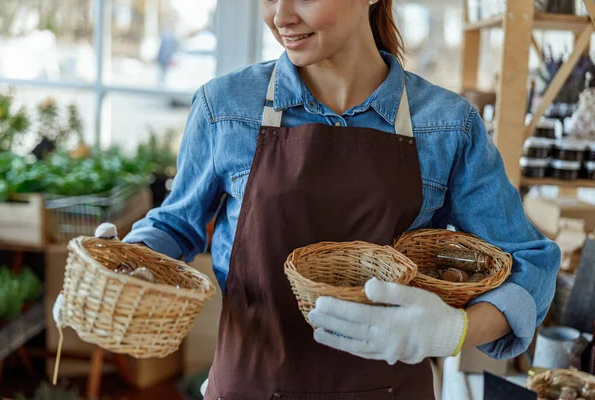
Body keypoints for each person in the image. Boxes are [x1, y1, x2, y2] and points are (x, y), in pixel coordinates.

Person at [121, 0, 560, 398]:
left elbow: (530, 263)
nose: (281, 16)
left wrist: (455, 331)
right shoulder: (225, 107)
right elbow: (175, 226)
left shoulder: (447, 126)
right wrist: (125, 264)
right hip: (249, 388)